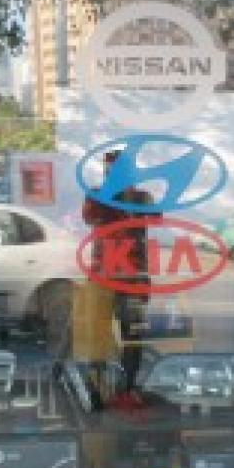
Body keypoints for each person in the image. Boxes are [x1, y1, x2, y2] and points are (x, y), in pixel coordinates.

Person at [82, 149, 159, 397]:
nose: (114, 174)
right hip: (102, 275)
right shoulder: (97, 194)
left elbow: (156, 218)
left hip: (133, 276)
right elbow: (90, 217)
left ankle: (129, 385)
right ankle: (97, 385)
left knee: (133, 334)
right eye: (110, 169)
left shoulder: (142, 197)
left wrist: (130, 196)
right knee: (98, 333)